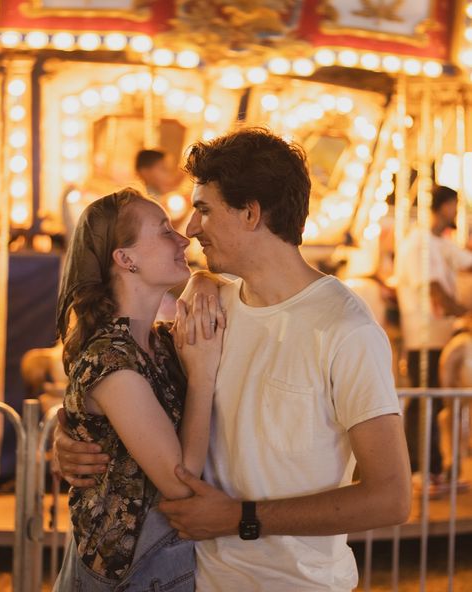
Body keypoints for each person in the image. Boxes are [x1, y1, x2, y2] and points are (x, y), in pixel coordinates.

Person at [56, 129, 411, 592]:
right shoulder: (211, 305)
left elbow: (391, 497)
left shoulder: (346, 330)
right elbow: (129, 389)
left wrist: (242, 519)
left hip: (288, 582)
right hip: (191, 574)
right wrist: (72, 435)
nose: (190, 230)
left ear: (250, 213)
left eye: (203, 209)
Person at [53, 187, 224, 591]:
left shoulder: (160, 344)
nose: (183, 238)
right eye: (164, 231)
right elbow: (181, 483)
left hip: (161, 558)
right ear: (125, 259)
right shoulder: (110, 361)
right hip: (132, 569)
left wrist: (202, 278)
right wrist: (201, 378)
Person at [396, 185, 472, 494]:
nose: (456, 212)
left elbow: (465, 261)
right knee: (423, 399)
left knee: (440, 402)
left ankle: (440, 468)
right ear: (442, 207)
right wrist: (466, 311)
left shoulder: (440, 243)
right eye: (454, 206)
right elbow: (436, 291)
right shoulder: (419, 244)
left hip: (440, 335)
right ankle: (419, 469)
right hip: (424, 334)